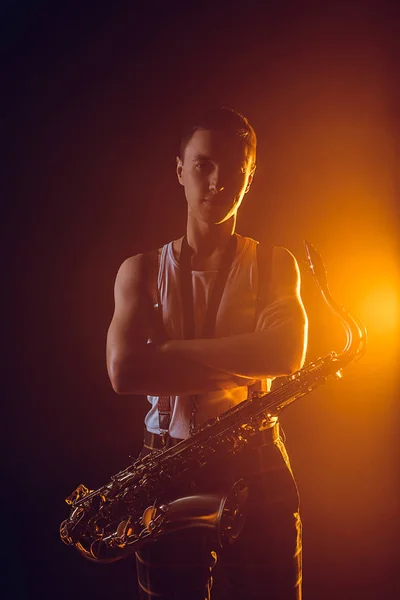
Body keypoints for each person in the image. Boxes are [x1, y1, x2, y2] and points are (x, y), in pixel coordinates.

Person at [106, 107, 308, 600]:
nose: (218, 182)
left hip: (255, 462)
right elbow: (125, 371)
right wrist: (246, 355)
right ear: (179, 170)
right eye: (203, 166)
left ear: (251, 175)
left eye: (234, 169)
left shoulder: (276, 264)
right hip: (165, 465)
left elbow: (287, 354)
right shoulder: (139, 270)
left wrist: (169, 352)